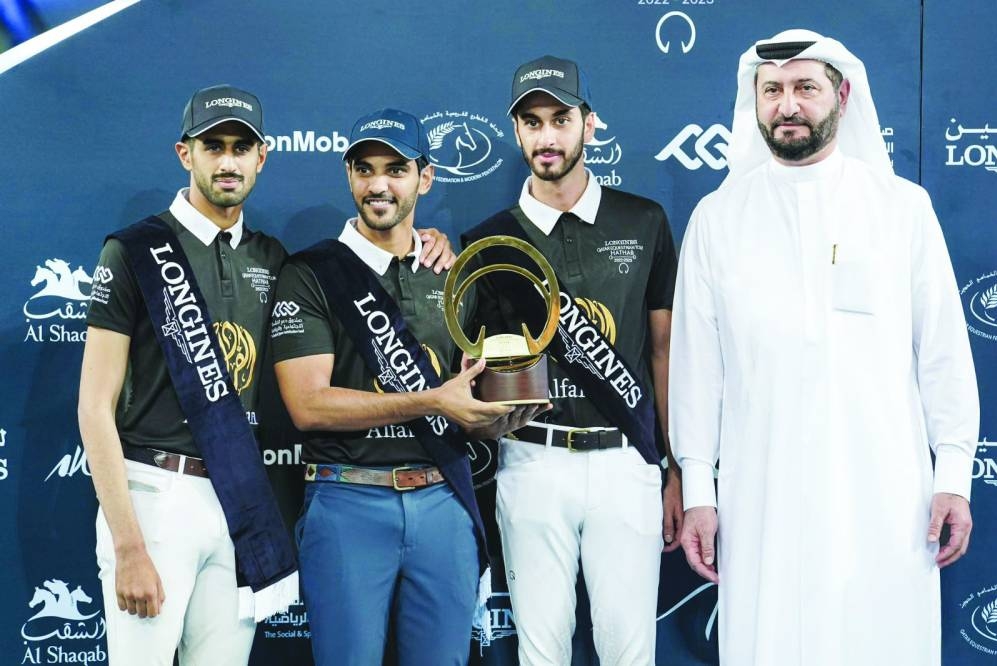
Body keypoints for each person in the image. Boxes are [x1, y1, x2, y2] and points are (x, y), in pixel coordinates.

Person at [76, 87, 453, 666]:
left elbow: (359, 264)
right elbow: (93, 407)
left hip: (241, 502)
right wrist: (128, 543)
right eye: (213, 146)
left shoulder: (275, 259)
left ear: (262, 157)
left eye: (240, 147)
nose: (227, 162)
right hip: (153, 494)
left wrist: (429, 242)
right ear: (186, 154)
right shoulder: (133, 251)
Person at [670, 29, 979, 666]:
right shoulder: (717, 219)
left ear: (840, 93)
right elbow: (699, 372)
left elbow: (943, 353)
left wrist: (954, 476)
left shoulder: (902, 210)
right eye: (773, 90)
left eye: (805, 88)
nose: (788, 105)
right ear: (752, 100)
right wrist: (699, 489)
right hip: (762, 497)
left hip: (887, 495)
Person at [270, 108, 544, 666]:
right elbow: (307, 404)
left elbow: (474, 391)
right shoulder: (311, 272)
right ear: (348, 176)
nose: (379, 184)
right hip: (347, 499)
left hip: (443, 500)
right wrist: (434, 400)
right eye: (365, 169)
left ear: (425, 177)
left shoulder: (452, 271)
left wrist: (498, 418)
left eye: (396, 169)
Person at [461, 55, 682, 665]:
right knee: (540, 653)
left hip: (626, 461)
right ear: (516, 133)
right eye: (532, 123)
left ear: (589, 123)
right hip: (531, 457)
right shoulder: (486, 238)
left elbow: (663, 352)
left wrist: (675, 465)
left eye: (561, 119)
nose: (547, 136)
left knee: (629, 652)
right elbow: (470, 364)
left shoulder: (644, 221)